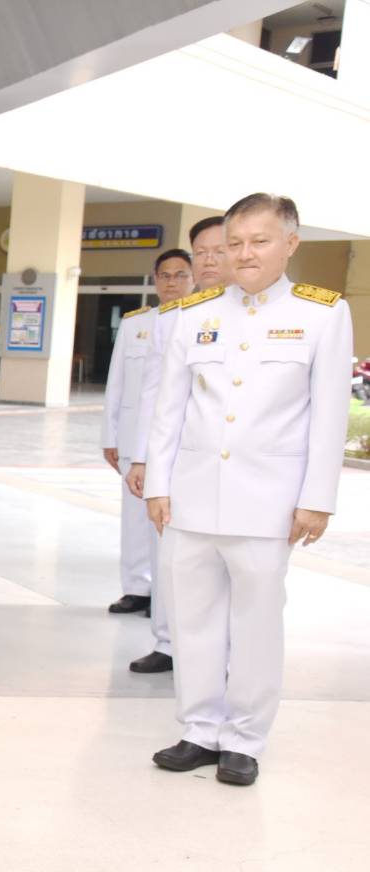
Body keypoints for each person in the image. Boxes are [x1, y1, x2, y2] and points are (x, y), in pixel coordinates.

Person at [143, 194, 352, 786]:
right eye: (234, 243)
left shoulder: (322, 313)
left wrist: (316, 499)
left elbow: (329, 414)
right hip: (191, 496)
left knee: (257, 623)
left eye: (259, 241)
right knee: (192, 619)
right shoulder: (196, 312)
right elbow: (169, 407)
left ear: (290, 243)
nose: (244, 253)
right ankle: (198, 729)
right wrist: (158, 483)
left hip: (269, 502)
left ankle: (244, 739)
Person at [127, 218, 234, 673]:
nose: (209, 260)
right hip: (181, 462)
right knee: (173, 559)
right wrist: (142, 459)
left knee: (234, 572)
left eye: (218, 250)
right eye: (201, 252)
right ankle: (169, 643)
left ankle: (229, 655)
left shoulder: (274, 316)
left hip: (240, 469)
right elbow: (154, 395)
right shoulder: (175, 318)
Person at [99, 249, 194, 625]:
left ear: (193, 279)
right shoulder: (136, 324)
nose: (172, 282)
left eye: (180, 275)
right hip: (132, 438)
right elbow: (117, 383)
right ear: (155, 280)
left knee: (166, 522)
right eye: (165, 275)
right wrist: (110, 436)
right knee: (134, 519)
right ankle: (136, 587)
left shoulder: (199, 321)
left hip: (175, 443)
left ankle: (165, 596)